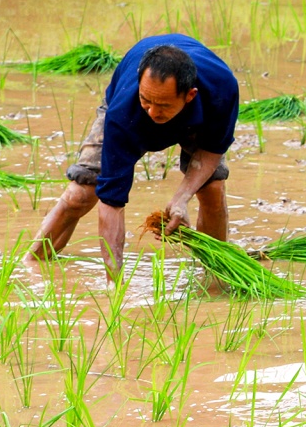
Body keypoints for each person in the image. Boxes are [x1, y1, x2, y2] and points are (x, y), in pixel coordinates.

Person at [32, 34, 240, 276]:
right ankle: (32, 261)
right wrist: (114, 281)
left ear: (190, 95)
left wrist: (181, 198)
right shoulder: (125, 108)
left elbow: (213, 148)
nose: (152, 112)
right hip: (126, 110)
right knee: (82, 192)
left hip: (199, 116)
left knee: (212, 188)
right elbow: (112, 202)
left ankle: (217, 274)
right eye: (146, 100)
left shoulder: (221, 90)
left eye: (162, 105)